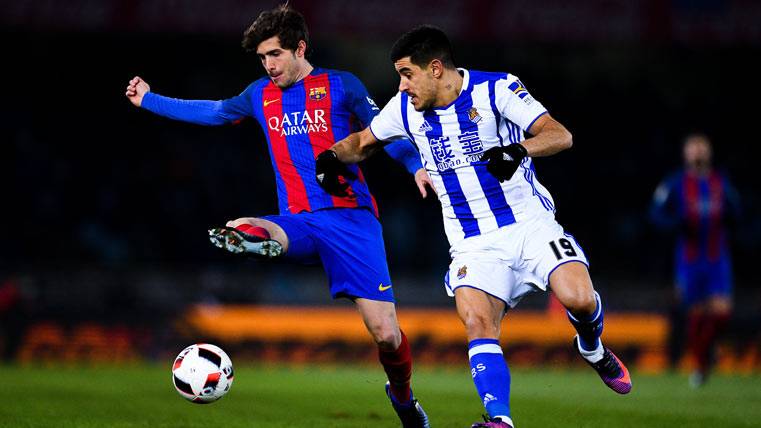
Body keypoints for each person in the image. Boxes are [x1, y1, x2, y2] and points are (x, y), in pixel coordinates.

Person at [124, 6, 431, 427]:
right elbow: (214, 112)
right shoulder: (258, 94)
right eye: (262, 58)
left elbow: (383, 132)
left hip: (351, 222)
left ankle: (403, 399)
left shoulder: (341, 86)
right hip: (298, 222)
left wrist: (415, 165)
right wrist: (150, 100)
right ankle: (252, 240)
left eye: (275, 55)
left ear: (300, 47)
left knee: (386, 334)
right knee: (240, 226)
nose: (269, 65)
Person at [315, 25, 632, 428]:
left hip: (530, 225)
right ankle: (499, 419)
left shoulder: (497, 89)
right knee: (477, 322)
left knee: (580, 299)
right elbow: (361, 142)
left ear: (435, 69)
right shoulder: (402, 109)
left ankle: (592, 348)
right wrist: (331, 157)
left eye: (406, 74)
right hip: (471, 242)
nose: (401, 85)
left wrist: (518, 150)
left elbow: (560, 135)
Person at [650, 133, 739, 387]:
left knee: (721, 313)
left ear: (709, 152)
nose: (698, 152)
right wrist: (675, 223)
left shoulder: (720, 181)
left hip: (717, 256)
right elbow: (655, 213)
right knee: (696, 314)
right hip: (688, 258)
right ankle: (701, 365)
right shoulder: (675, 182)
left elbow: (738, 209)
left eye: (703, 147)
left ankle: (706, 353)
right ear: (686, 153)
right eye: (694, 148)